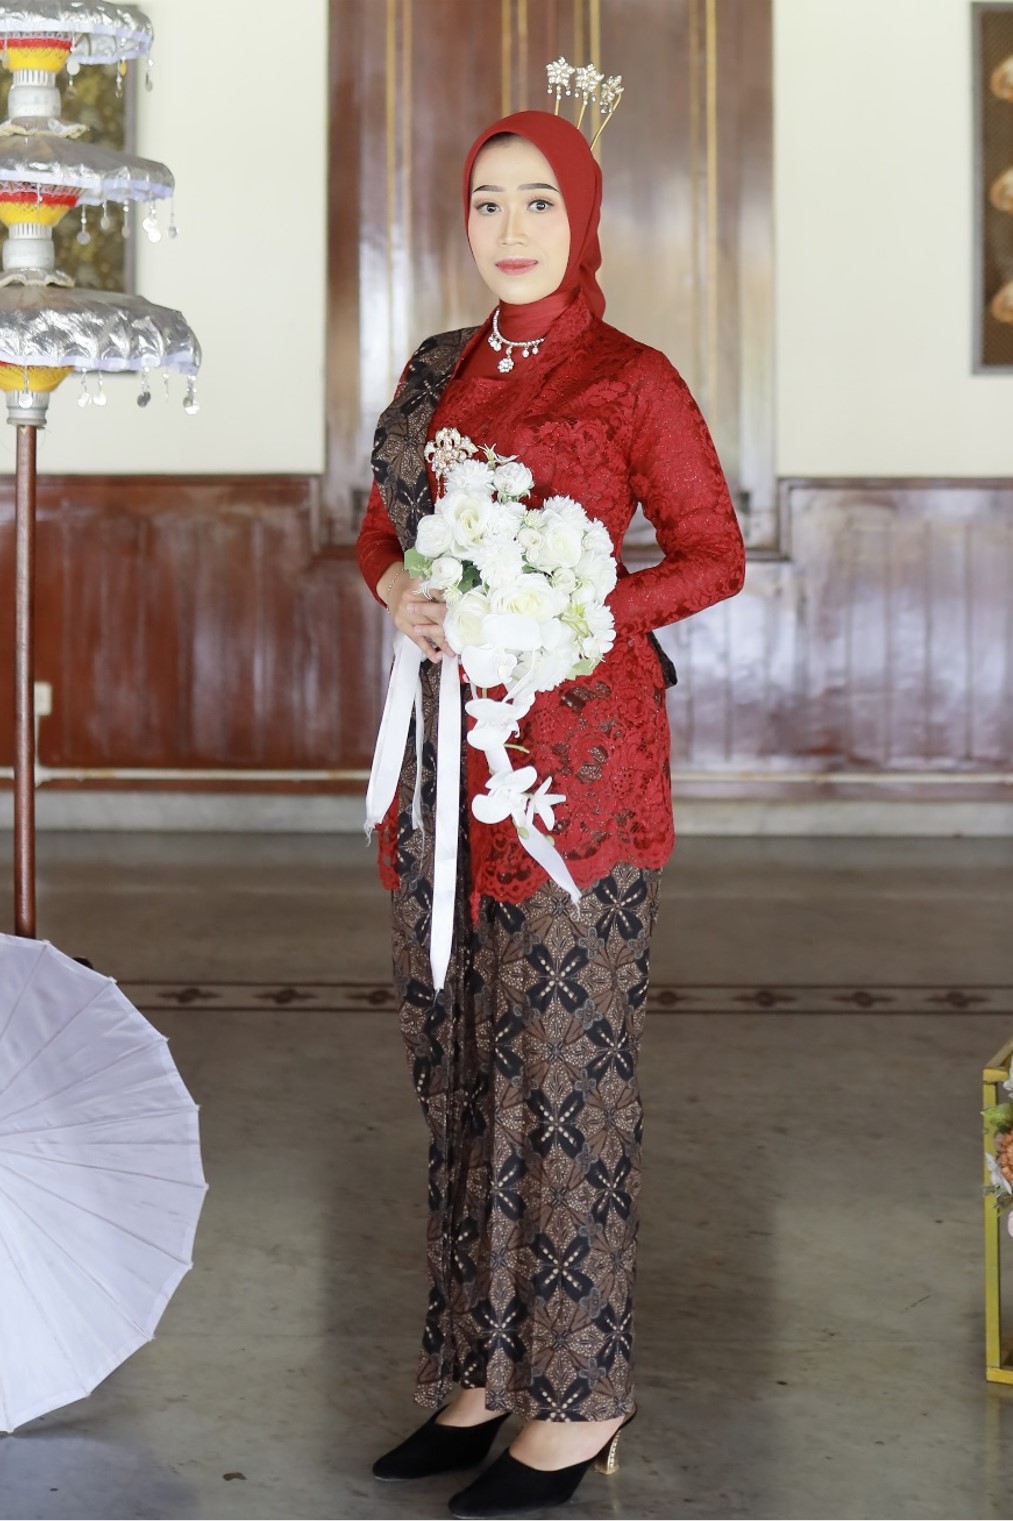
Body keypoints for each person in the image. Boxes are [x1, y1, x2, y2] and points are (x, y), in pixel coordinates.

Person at [356, 108, 745, 1520]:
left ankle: (577, 1396)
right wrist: (396, 590)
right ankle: (476, 1371)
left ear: (580, 218)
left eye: (536, 201)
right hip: (448, 775)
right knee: (462, 1072)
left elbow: (712, 555)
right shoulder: (435, 369)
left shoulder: (631, 379)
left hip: (579, 787)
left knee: (564, 1086)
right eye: (485, 202)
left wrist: (574, 613)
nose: (508, 229)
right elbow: (381, 525)